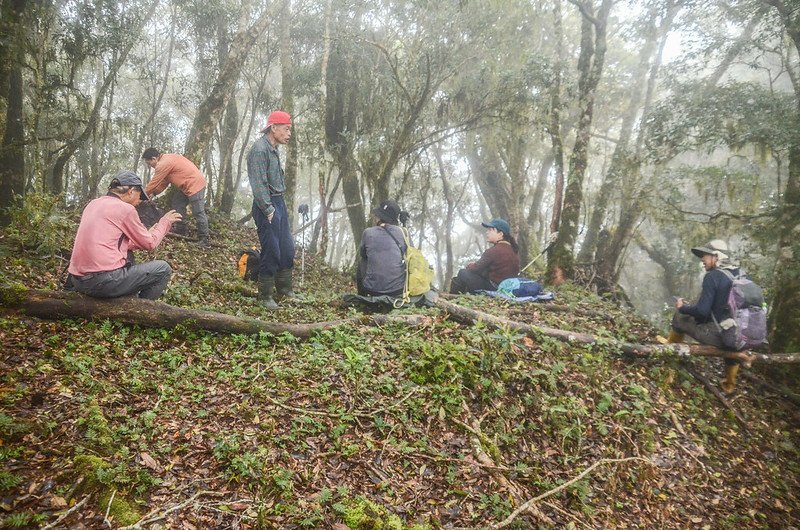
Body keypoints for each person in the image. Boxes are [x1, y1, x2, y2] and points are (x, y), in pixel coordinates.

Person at [66, 171, 182, 300]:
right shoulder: (125, 209)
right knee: (163, 269)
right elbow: (150, 244)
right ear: (131, 191)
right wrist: (165, 222)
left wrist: (147, 234)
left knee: (129, 252)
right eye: (139, 196)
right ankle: (141, 310)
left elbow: (112, 241)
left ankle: (126, 297)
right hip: (101, 282)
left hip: (77, 280)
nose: (139, 201)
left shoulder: (93, 204)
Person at [668, 239, 743, 393]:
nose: (702, 259)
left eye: (705, 255)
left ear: (716, 256)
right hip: (740, 338)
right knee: (731, 333)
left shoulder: (713, 276)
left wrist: (684, 308)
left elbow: (702, 312)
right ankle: (729, 384)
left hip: (717, 336)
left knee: (679, 318)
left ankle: (668, 355)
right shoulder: (741, 274)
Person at [246, 110, 298, 310]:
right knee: (272, 249)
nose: (289, 133)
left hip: (279, 201)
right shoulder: (259, 150)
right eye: (286, 129)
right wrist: (268, 209)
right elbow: (258, 184)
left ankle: (284, 289)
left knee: (287, 247)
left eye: (289, 129)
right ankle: (265, 295)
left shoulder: (273, 147)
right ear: (273, 128)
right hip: (266, 205)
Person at [141, 148, 210, 246]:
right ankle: (181, 229)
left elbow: (154, 182)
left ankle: (204, 239)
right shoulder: (166, 160)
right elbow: (164, 182)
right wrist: (154, 193)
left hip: (195, 185)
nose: (150, 166)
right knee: (177, 203)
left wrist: (141, 195)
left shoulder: (163, 164)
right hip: (186, 186)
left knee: (198, 212)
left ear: (153, 159)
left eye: (149, 163)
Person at [450, 218, 520, 294]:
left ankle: (453, 297)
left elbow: (475, 269)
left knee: (463, 273)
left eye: (490, 230)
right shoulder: (513, 251)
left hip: (494, 289)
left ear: (500, 234)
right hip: (508, 290)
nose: (487, 232)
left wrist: (469, 265)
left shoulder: (494, 251)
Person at [357, 200, 408, 297]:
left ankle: (362, 296)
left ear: (378, 217)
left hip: (372, 290)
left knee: (362, 261)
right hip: (398, 290)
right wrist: (404, 224)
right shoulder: (403, 233)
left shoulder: (368, 232)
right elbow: (410, 253)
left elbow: (363, 254)